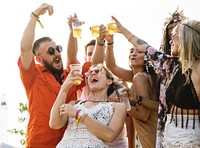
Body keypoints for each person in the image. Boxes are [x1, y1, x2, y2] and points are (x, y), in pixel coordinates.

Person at [111, 15, 200, 147]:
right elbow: (146, 47)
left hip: (190, 136)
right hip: (169, 134)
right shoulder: (172, 65)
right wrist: (123, 30)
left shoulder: (198, 68)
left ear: (186, 37)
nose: (170, 41)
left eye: (174, 35)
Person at [18, 4, 90, 147]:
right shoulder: (33, 74)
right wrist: (35, 15)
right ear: (39, 58)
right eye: (51, 51)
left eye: (58, 49)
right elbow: (25, 48)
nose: (57, 53)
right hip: (40, 142)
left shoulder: (70, 76)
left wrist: (73, 31)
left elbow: (75, 58)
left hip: (69, 143)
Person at [49, 63, 127, 147]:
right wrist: (64, 89)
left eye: (97, 71)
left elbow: (110, 135)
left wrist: (78, 114)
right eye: (89, 73)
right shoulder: (74, 104)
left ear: (109, 81)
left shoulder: (118, 107)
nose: (92, 73)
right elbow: (54, 124)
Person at [156, 8, 186, 147]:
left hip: (188, 123)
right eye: (171, 31)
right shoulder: (164, 64)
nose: (173, 35)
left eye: (178, 30)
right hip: (165, 121)